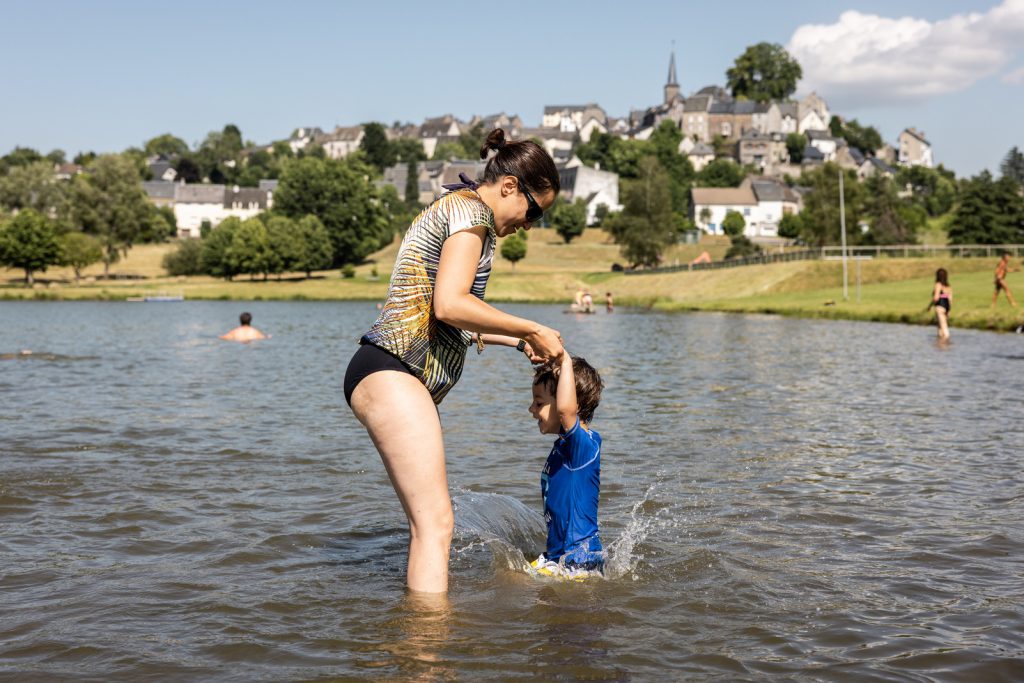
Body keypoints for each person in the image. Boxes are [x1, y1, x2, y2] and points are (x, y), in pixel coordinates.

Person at [344, 128, 563, 594]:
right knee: (437, 525)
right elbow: (450, 303)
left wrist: (513, 341)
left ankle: (422, 642)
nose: (530, 224)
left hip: (388, 370)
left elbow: (448, 316)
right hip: (392, 369)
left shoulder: (461, 208)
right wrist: (530, 327)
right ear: (510, 187)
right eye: (534, 212)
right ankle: (428, 651)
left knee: (429, 524)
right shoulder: (472, 215)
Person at [528, 353, 605, 579]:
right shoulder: (564, 446)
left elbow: (565, 411)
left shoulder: (581, 447)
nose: (532, 409)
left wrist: (566, 363)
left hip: (579, 560)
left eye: (539, 403)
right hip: (559, 556)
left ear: (573, 404)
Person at [927, 268, 953, 341]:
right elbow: (950, 298)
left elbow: (936, 298)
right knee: (940, 326)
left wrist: (929, 306)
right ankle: (940, 342)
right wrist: (948, 310)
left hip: (940, 306)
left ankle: (946, 343)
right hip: (947, 306)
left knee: (943, 326)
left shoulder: (938, 285)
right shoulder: (948, 286)